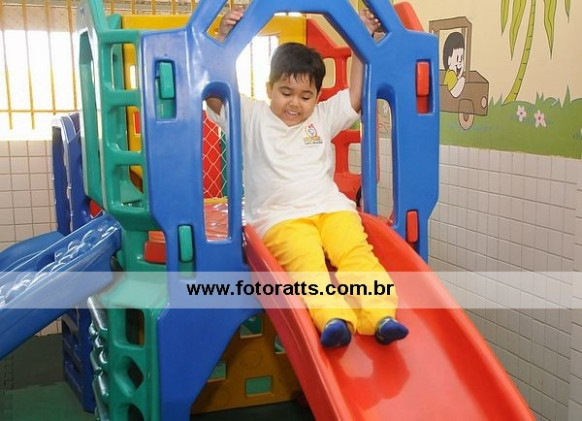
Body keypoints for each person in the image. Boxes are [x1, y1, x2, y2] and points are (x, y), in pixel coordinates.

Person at [206, 7, 408, 348]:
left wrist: (361, 40)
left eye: (305, 96)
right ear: (270, 88)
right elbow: (215, 95)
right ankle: (333, 319)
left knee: (356, 253)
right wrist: (224, 40)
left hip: (331, 209)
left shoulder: (322, 117)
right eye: (285, 92)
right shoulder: (251, 116)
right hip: (280, 219)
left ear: (316, 96)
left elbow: (356, 94)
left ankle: (381, 315)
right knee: (307, 263)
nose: (295, 104)